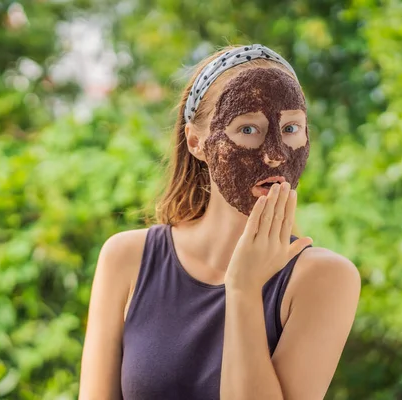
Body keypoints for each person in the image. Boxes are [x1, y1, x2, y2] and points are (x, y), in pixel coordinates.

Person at [79, 44, 361, 400]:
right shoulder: (126, 258)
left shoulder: (326, 279)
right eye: (247, 129)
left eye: (291, 127)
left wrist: (243, 289)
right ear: (197, 142)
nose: (275, 154)